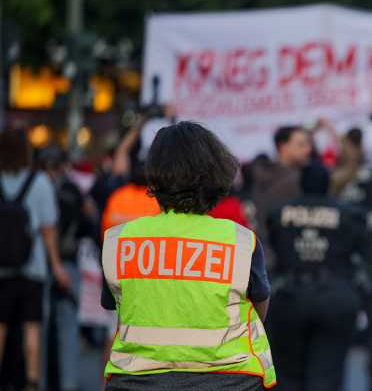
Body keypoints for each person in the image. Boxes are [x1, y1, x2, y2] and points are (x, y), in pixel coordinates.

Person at [100, 121, 276, 390]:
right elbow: (259, 309)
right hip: (230, 381)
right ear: (216, 174)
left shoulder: (119, 240)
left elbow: (116, 305)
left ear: (155, 176)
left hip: (137, 381)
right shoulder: (240, 241)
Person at [266, 163, 365, 391]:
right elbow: (361, 250)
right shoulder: (348, 214)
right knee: (327, 375)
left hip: (289, 298)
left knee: (288, 375)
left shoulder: (278, 213)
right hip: (334, 298)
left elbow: (273, 245)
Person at [0, 128, 70, 390]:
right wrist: (56, 265)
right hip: (34, 268)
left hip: (2, 270)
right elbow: (49, 229)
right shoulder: (39, 181)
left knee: (1, 327)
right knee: (32, 328)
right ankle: (31, 381)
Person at [38, 146, 97, 391]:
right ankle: (68, 383)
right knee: (68, 325)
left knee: (39, 325)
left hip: (39, 263)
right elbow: (89, 222)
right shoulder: (73, 189)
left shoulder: (36, 186)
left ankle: (39, 380)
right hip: (69, 262)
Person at [251, 125, 312, 264]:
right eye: (301, 145)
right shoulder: (294, 181)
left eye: (308, 144)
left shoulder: (259, 174)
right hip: (277, 258)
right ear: (283, 147)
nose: (308, 149)